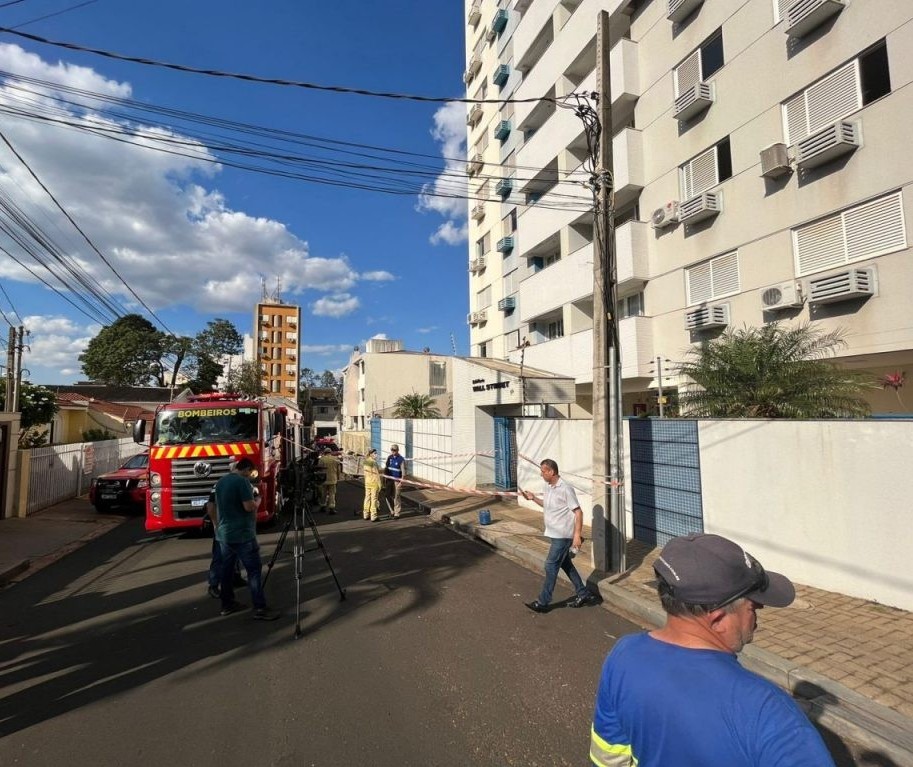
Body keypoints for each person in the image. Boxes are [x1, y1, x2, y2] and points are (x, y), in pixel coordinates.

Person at [590, 533, 836, 767]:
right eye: (753, 606)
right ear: (718, 619)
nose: (758, 614)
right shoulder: (771, 713)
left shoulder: (623, 655)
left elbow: (608, 757)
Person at [520, 458, 597, 612]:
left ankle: (543, 602)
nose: (541, 474)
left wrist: (577, 535)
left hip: (563, 535)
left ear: (551, 472)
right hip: (553, 533)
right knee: (565, 564)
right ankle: (583, 593)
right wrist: (533, 498)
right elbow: (547, 505)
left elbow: (578, 512)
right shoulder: (548, 487)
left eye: (543, 471)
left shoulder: (566, 488)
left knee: (550, 565)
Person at [214, 457, 280, 621]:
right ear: (247, 469)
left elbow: (214, 505)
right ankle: (260, 607)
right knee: (254, 572)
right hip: (243, 534)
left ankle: (227, 605)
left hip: (224, 534)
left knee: (227, 571)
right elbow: (248, 506)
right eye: (251, 473)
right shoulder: (242, 482)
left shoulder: (221, 482)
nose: (251, 476)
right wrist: (258, 500)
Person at [383, 443, 406, 518]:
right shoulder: (389, 457)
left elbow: (403, 472)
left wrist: (401, 482)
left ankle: (397, 513)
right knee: (387, 495)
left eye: (394, 450)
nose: (393, 451)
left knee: (396, 497)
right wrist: (384, 478)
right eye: (392, 450)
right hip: (389, 480)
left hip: (397, 481)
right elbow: (386, 468)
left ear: (397, 450)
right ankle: (392, 511)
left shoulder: (401, 459)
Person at [318, 447, 341, 514]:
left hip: (324, 479)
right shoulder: (335, 459)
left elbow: (319, 469)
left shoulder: (322, 459)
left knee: (323, 494)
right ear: (330, 452)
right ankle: (331, 508)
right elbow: (338, 470)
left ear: (324, 453)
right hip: (333, 479)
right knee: (332, 494)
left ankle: (323, 506)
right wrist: (338, 477)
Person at [362, 448, 382, 522]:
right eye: (374, 453)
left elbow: (365, 473)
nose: (376, 455)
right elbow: (376, 474)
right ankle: (373, 516)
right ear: (371, 454)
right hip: (374, 483)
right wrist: (380, 484)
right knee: (374, 499)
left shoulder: (366, 461)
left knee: (367, 498)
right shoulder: (373, 462)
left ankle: (366, 514)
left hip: (367, 482)